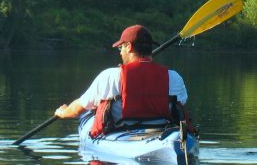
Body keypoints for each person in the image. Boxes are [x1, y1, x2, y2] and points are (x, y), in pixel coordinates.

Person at [54, 25, 188, 137]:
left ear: (129, 46)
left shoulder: (110, 76)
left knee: (89, 113)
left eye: (121, 48)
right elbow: (180, 104)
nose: (120, 53)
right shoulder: (174, 77)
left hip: (120, 135)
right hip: (163, 134)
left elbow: (79, 109)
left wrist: (62, 112)